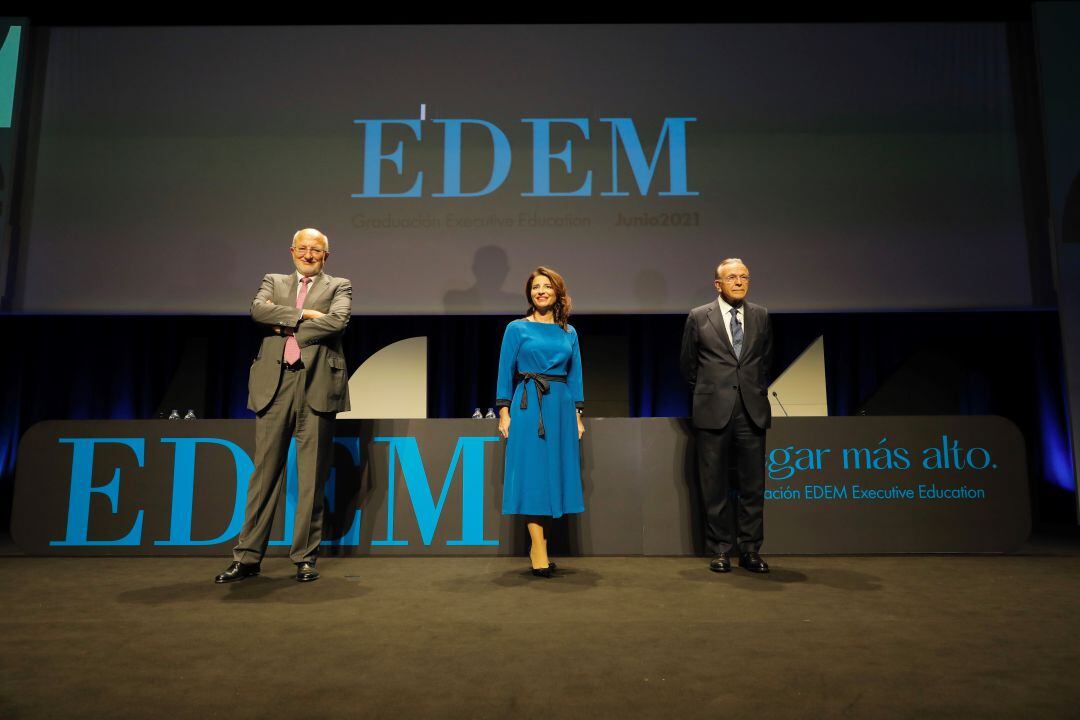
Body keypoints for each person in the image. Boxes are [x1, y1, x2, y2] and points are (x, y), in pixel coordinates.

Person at [215, 228, 351, 584]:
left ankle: (304, 558)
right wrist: (306, 315)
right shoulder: (272, 281)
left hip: (317, 384)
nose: (308, 254)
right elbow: (258, 310)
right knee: (264, 475)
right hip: (273, 385)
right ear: (292, 251)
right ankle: (247, 558)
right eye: (303, 248)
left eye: (316, 250)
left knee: (311, 480)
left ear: (326, 256)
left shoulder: (339, 285)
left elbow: (338, 321)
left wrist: (285, 327)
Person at [680, 258, 772, 574]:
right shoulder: (698, 316)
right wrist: (710, 393)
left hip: (752, 412)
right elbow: (688, 366)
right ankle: (720, 549)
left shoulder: (760, 315)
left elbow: (764, 360)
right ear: (718, 284)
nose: (739, 282)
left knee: (753, 485)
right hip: (713, 411)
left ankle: (750, 550)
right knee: (714, 484)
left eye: (744, 276)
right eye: (732, 277)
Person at [496, 267, 585, 578]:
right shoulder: (516, 329)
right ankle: (538, 549)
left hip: (560, 405)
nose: (541, 291)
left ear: (558, 292)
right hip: (528, 403)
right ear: (529, 293)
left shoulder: (568, 333)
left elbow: (575, 376)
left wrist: (577, 414)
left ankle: (542, 544)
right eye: (536, 287)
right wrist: (504, 411)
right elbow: (505, 370)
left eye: (547, 286)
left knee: (552, 475)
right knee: (533, 475)